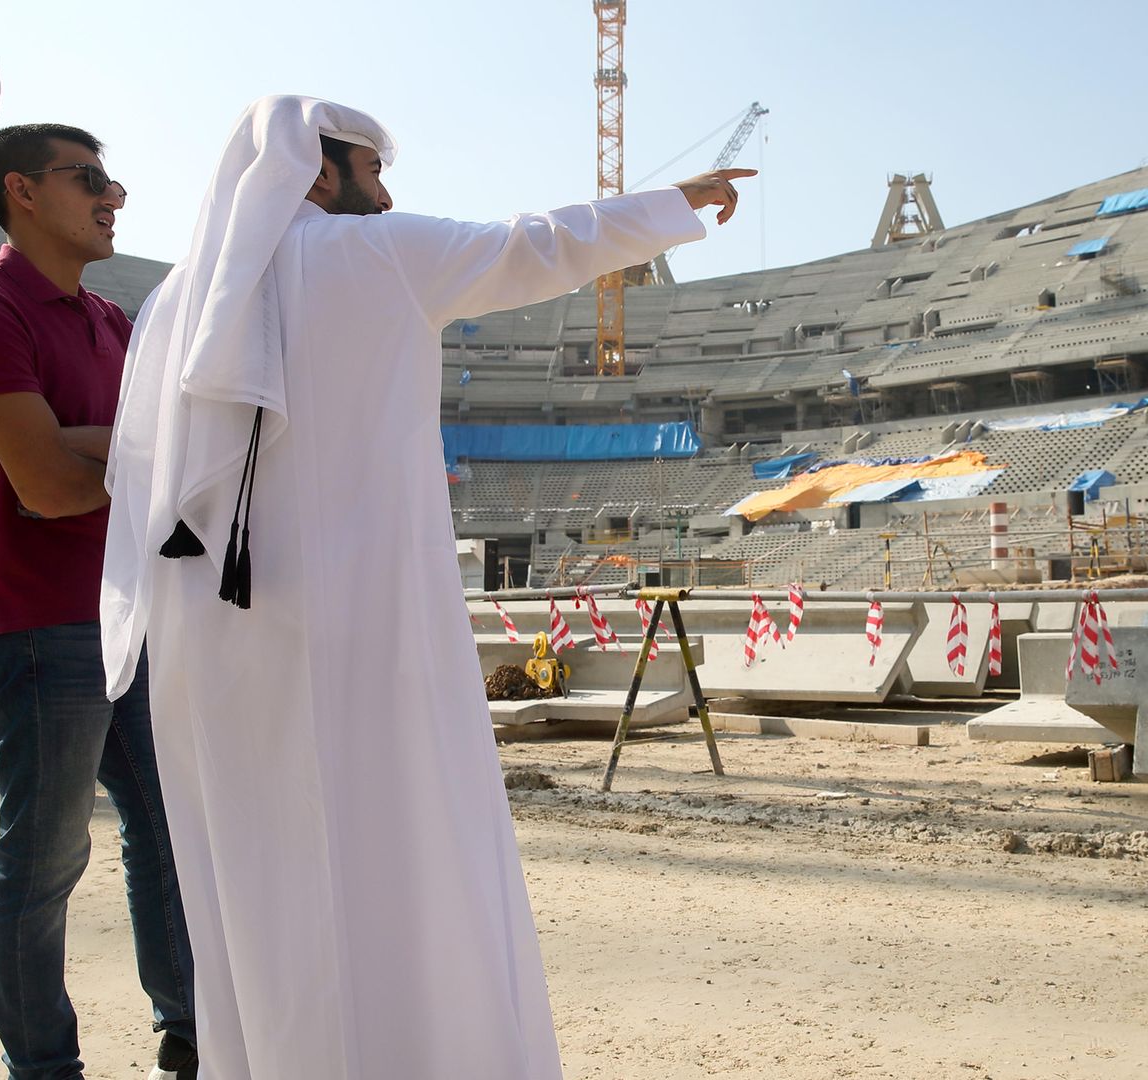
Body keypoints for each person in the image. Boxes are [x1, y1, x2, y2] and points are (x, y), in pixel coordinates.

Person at [100, 95, 749, 1080]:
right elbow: (534, 244)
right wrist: (671, 204)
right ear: (320, 172)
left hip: (215, 638)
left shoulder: (177, 301)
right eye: (373, 166)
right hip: (364, 615)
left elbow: (147, 474)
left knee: (258, 861)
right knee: (394, 841)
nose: (388, 188)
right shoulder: (378, 255)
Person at [0, 122, 196, 1080]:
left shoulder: (114, 321)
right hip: (38, 623)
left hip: (127, 613)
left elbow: (155, 456)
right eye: (90, 179)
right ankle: (44, 1068)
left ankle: (190, 1034)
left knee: (169, 837)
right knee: (44, 867)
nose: (114, 195)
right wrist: (117, 452)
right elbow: (45, 485)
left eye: (112, 178)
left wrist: (98, 445)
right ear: (22, 191)